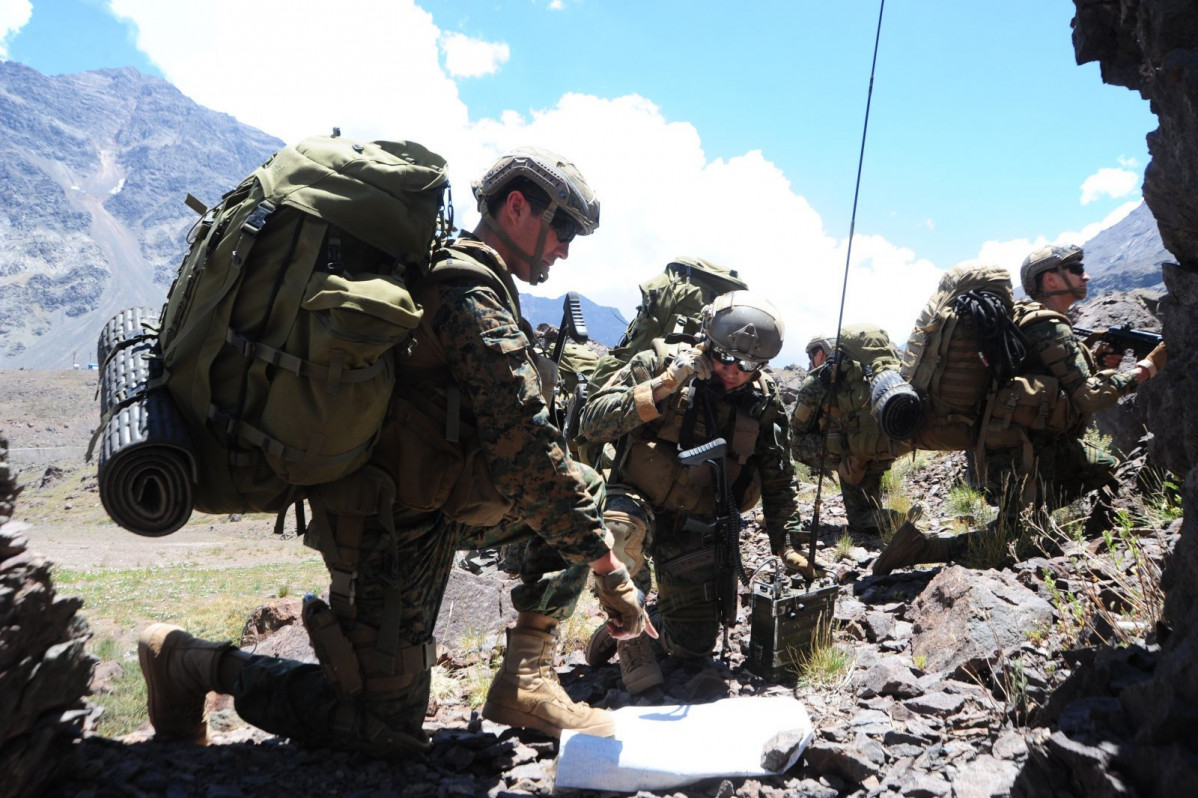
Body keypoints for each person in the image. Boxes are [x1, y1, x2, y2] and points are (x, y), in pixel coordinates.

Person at [136, 147, 651, 756]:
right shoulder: (466, 293)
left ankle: (526, 681)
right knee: (379, 726)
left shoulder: (481, 285)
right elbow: (528, 454)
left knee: (584, 488)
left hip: (440, 504)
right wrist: (607, 570)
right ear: (517, 207)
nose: (564, 247)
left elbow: (532, 462)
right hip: (383, 521)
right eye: (562, 227)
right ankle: (188, 663)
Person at [874, 243, 1167, 574]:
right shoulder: (1048, 325)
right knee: (1015, 542)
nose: (1086, 275)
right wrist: (1147, 367)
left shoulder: (1026, 320)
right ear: (1051, 281)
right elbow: (1090, 398)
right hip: (1020, 458)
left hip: (1030, 448)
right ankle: (921, 548)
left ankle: (1098, 540)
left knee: (1105, 469)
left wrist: (1095, 362)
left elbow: (1045, 378)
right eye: (1074, 268)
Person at [577, 291, 810, 694]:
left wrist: (787, 542)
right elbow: (591, 420)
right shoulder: (659, 363)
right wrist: (665, 386)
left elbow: (778, 478)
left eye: (751, 364)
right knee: (619, 534)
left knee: (694, 646)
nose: (735, 371)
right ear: (706, 342)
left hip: (696, 523)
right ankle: (630, 639)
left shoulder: (763, 401)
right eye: (725, 358)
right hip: (635, 502)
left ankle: (643, 622)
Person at [791, 329, 917, 536]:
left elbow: (798, 427)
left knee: (795, 442)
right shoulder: (872, 376)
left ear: (820, 353)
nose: (810, 361)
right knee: (867, 510)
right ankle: (893, 517)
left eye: (811, 356)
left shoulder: (818, 381)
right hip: (879, 452)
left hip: (849, 457)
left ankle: (900, 519)